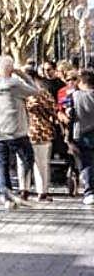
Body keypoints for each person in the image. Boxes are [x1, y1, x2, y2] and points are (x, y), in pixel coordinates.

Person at [0, 55, 37, 210]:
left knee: (2, 164)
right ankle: (23, 187)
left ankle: (7, 196)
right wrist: (23, 75)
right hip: (17, 131)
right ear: (11, 68)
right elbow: (36, 91)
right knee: (28, 158)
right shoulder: (15, 84)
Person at [61, 69, 94, 205]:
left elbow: (69, 115)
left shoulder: (73, 96)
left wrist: (68, 138)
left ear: (81, 81)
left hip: (82, 133)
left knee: (86, 163)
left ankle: (89, 192)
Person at [25, 77, 58, 201]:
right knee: (42, 163)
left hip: (26, 131)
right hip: (43, 132)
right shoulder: (44, 94)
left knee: (24, 163)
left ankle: (24, 189)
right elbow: (54, 111)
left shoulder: (22, 95)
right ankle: (42, 191)